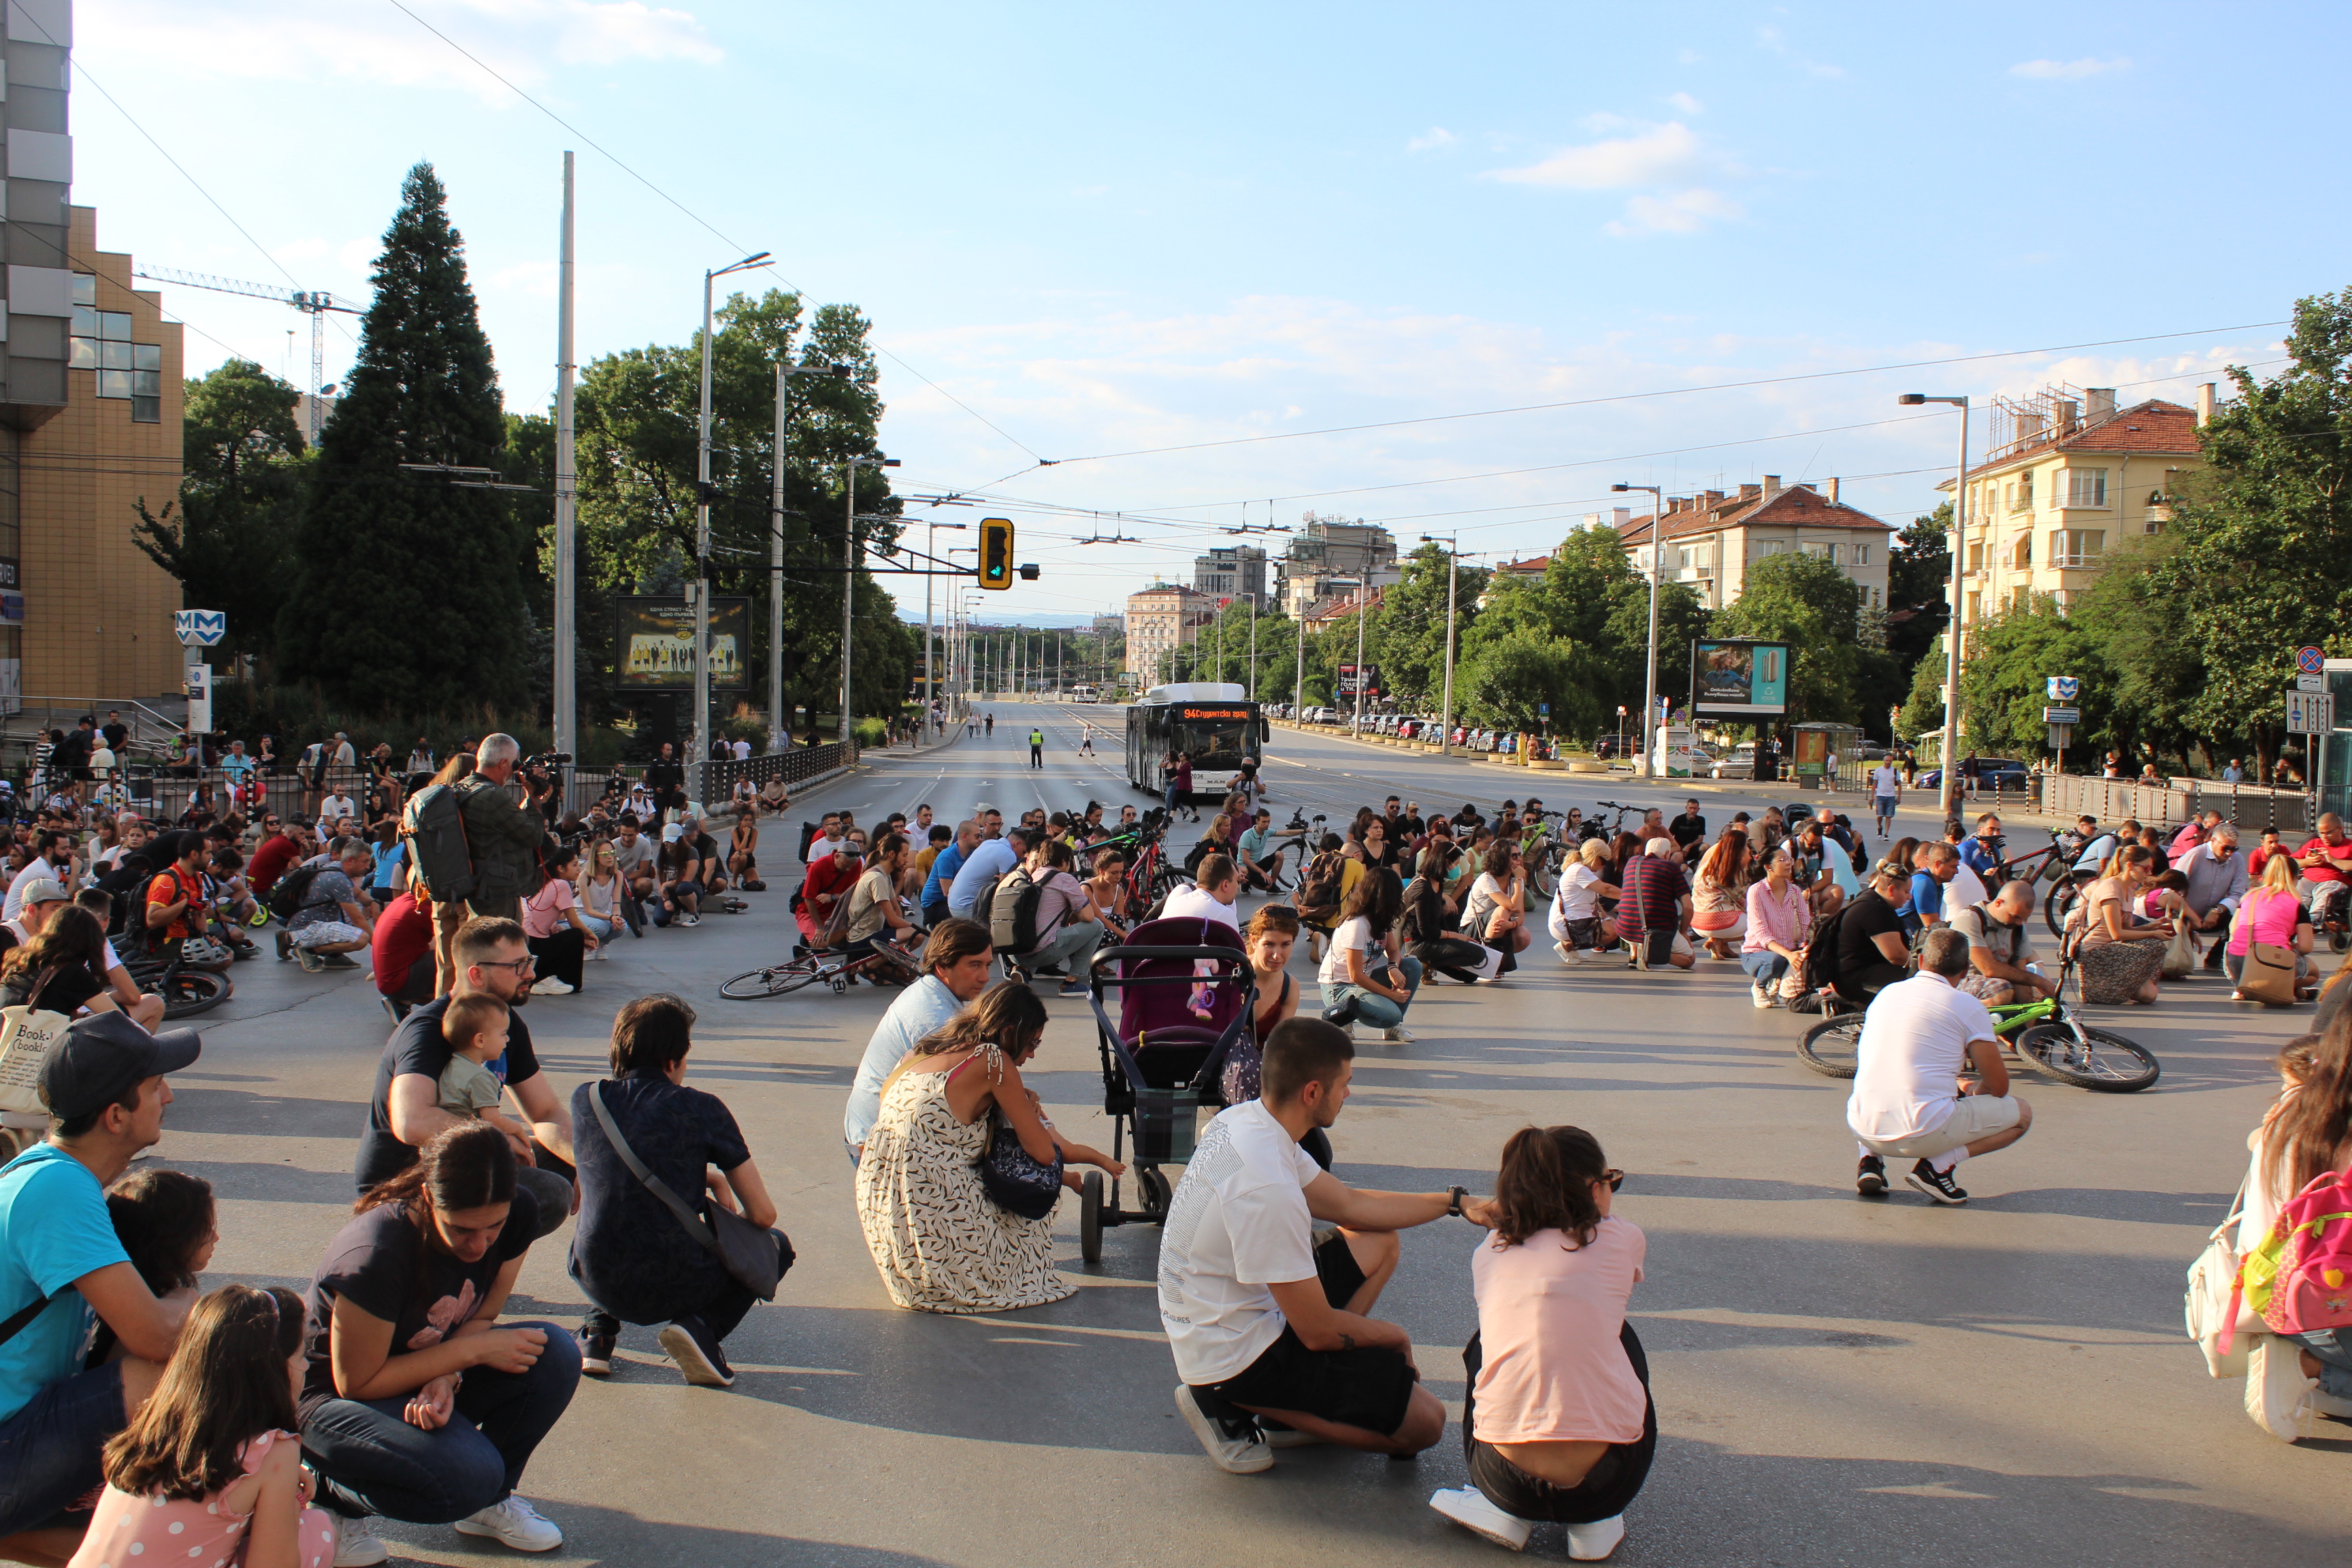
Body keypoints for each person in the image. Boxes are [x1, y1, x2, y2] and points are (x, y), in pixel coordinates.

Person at [1161, 1017, 1491, 1474]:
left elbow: (1351, 1205)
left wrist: (1454, 1203)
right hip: (1234, 1353)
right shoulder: (1266, 1187)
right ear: (1313, 1093)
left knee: (1378, 1243)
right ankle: (1228, 1402)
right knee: (1425, 1425)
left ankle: (1308, 1401)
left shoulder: (1249, 1121)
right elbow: (1316, 1330)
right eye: (1345, 1084)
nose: (1349, 1095)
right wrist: (1394, 1337)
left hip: (1230, 1309)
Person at [300, 1124, 577, 1561]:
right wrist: (467, 1354)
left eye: (493, 1227)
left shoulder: (519, 1212)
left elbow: (482, 1316)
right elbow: (357, 1382)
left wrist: (447, 1374)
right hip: (333, 1401)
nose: (480, 1244)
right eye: (462, 1229)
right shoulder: (377, 1254)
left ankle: (490, 1503)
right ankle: (326, 1492)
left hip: (416, 1368)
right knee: (466, 1480)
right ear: (430, 1198)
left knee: (554, 1352)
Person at [0, 1014, 201, 1565]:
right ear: (116, 1116)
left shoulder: (48, 1175)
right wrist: (190, 1295)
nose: (169, 1095)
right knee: (172, 1371)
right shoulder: (58, 1187)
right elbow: (157, 1338)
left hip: (19, 1424)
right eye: (153, 1087)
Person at [1430, 1126, 1654, 1561]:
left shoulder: (1489, 1251)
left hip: (1503, 1479)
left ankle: (1503, 1510)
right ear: (1594, 1190)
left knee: (1489, 1342)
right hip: (1608, 1483)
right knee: (1619, 1337)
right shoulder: (1622, 1238)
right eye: (1612, 1182)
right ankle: (1594, 1525)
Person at [855, 984, 1118, 1313]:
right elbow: (1045, 1153)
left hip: (886, 1214)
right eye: (1033, 1042)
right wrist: (1029, 1110)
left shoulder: (922, 1051)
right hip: (932, 1212)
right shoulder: (993, 1059)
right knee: (1030, 1182)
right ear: (1010, 1031)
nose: (1034, 1053)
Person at [569, 995, 785, 1388]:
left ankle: (596, 1334)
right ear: (673, 1060)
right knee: (776, 1245)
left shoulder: (587, 1099)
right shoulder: (703, 1108)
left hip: (594, 1274)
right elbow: (762, 1214)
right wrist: (727, 1220)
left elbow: (622, 1170)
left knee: (615, 1214)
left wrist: (707, 1178)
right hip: (673, 1284)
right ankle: (700, 1327)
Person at [69, 1283, 340, 1568]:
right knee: (316, 1530)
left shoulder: (157, 1425)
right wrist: (282, 1483)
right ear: (270, 1370)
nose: (306, 1367)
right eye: (301, 1356)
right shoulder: (274, 1452)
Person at [353, 918, 575, 1238]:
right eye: (518, 965)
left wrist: (592, 1166)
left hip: (463, 1161)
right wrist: (497, 1137)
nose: (531, 974)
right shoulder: (426, 1030)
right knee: (547, 1193)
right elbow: (412, 1122)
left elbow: (545, 1112)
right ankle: (455, 1274)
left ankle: (476, 1271)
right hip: (402, 1183)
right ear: (476, 973)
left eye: (530, 961)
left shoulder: (504, 1023)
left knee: (565, 1161)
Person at [1846, 928, 2032, 1204]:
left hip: (1862, 1126)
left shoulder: (1887, 994)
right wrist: (1970, 1089)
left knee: (1881, 1076)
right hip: (1923, 1133)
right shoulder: (1967, 1005)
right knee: (2022, 1114)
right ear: (1966, 969)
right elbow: (1998, 1086)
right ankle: (1937, 1168)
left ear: (1920, 961)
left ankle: (1869, 1163)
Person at [2236, 1021, 2352, 1439]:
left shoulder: (2288, 1116)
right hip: (2329, 1306)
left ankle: (2323, 1376)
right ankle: (2313, 1368)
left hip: (2274, 1289)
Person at [845, 920, 996, 1161]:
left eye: (988, 965)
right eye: (974, 965)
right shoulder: (935, 1019)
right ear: (942, 966)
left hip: (878, 1129)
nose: (985, 977)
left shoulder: (933, 991)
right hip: (879, 1144)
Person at [1320, 867, 1420, 1043]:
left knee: (1412, 966)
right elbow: (1355, 975)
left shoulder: (1381, 919)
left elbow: (1395, 951)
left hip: (1363, 980)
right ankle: (1343, 1017)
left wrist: (1393, 967)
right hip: (1338, 987)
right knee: (1390, 1014)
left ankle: (1392, 1029)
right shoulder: (1357, 925)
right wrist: (1391, 995)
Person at [2073, 845, 2176, 1006]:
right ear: (2130, 866)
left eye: (2151, 868)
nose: (2149, 873)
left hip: (2113, 946)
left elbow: (2126, 931)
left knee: (2149, 995)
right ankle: (2103, 987)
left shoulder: (2128, 889)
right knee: (2154, 945)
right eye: (2146, 868)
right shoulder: (2110, 888)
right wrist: (2153, 934)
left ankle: (2116, 987)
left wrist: (2152, 926)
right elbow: (2117, 934)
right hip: (2095, 950)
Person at [2227, 850, 2319, 1001]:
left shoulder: (2248, 897)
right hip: (2272, 963)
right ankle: (2279, 986)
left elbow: (2233, 929)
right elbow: (2306, 947)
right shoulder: (2296, 904)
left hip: (2237, 963)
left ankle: (2245, 987)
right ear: (2295, 878)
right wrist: (2291, 946)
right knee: (2313, 972)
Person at [1948, 881, 2056, 1006]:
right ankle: (1966, 1013)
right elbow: (1989, 969)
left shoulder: (2017, 928)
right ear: (1999, 903)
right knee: (2002, 991)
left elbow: (2020, 971)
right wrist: (2039, 981)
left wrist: (2028, 1009)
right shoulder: (1970, 919)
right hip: (1962, 982)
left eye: (2024, 918)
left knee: (2036, 998)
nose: (2019, 923)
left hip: (1999, 984)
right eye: (2015, 916)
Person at [1018, 836, 1102, 994]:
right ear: (1064, 861)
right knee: (1097, 926)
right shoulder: (1064, 879)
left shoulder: (1032, 876)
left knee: (1042, 927)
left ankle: (1024, 970)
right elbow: (1088, 917)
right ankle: (1071, 983)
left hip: (1016, 951)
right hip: (1042, 951)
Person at [280, 837, 378, 973]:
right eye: (365, 861)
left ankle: (329, 955)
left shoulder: (334, 869)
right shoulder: (338, 880)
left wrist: (373, 903)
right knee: (361, 939)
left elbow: (360, 895)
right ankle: (308, 950)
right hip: (309, 927)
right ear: (350, 860)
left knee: (355, 927)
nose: (368, 866)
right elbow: (358, 920)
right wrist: (380, 950)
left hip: (304, 923)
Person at [519, 844, 596, 996]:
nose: (579, 869)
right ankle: (546, 980)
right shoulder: (561, 884)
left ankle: (543, 979)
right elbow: (574, 922)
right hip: (534, 945)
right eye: (574, 865)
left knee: (567, 934)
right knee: (575, 935)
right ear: (561, 868)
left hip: (528, 945)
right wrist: (590, 934)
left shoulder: (545, 882)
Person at [1835, 860, 1914, 1003]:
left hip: (1853, 972)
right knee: (1919, 980)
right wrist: (1927, 966)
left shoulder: (1872, 899)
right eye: (1907, 892)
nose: (1910, 897)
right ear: (1891, 890)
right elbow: (1896, 956)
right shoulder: (1875, 910)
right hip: (1854, 979)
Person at [1741, 849, 1809, 1008]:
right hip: (1757, 954)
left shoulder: (1795, 891)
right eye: (1782, 860)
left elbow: (1806, 923)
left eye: (1789, 859)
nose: (1788, 863)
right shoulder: (1756, 891)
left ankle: (1778, 984)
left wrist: (1805, 947)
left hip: (1789, 951)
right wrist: (1789, 955)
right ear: (1768, 867)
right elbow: (1762, 934)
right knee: (1775, 961)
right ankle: (1759, 986)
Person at [1616, 838, 1694, 971]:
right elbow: (1688, 907)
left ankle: (1636, 953)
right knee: (1689, 959)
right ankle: (1649, 954)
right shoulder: (1671, 867)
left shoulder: (1632, 862)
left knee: (1638, 912)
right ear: (1667, 853)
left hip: (1624, 928)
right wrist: (1684, 932)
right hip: (1657, 930)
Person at [1690, 830, 1752, 961]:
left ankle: (1719, 944)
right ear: (1739, 849)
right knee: (1761, 923)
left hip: (1697, 922)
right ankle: (1719, 941)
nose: (1748, 849)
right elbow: (1746, 901)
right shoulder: (1733, 871)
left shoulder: (1707, 866)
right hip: (1720, 924)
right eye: (1746, 846)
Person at [947, 821, 1026, 921]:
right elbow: (1005, 891)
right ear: (1017, 844)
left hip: (953, 902)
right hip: (966, 906)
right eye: (1023, 852)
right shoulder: (1008, 853)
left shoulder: (989, 843)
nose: (1022, 856)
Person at [1164, 853, 1243, 932]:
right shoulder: (1224, 913)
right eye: (1236, 881)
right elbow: (1235, 944)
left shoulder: (1176, 901)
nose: (1238, 886)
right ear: (1225, 885)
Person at [922, 819, 978, 930]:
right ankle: (935, 926)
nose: (980, 839)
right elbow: (947, 892)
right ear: (965, 836)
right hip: (935, 903)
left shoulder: (973, 853)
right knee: (966, 920)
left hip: (953, 899)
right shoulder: (947, 857)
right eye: (977, 836)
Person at [1908, 841, 1962, 934]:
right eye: (1953, 867)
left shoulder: (1936, 882)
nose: (1956, 872)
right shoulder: (1925, 884)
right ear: (1937, 864)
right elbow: (1933, 926)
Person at [1869, 757, 1901, 837]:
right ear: (1884, 761)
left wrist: (1899, 797)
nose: (1888, 762)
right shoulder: (1879, 770)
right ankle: (1880, 827)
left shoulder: (1895, 771)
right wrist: (1872, 796)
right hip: (1880, 795)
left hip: (1891, 796)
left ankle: (1886, 833)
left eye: (1890, 761)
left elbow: (1899, 784)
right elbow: (1874, 784)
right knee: (1880, 815)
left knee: (1888, 816)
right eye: (1887, 760)